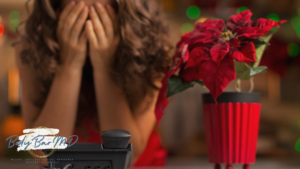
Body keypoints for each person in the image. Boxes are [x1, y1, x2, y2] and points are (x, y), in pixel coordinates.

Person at [13, 0, 172, 167]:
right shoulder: (31, 49)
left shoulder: (155, 47)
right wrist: (69, 66)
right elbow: (43, 154)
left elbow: (128, 152)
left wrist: (104, 67)